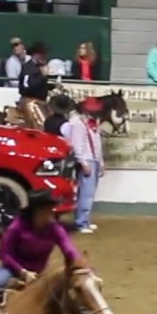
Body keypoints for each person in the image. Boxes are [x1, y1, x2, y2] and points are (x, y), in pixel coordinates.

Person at [63, 96, 104, 234]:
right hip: (87, 159)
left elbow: (98, 145)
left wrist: (101, 161)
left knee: (90, 193)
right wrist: (83, 162)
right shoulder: (78, 124)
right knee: (86, 193)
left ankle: (86, 220)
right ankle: (81, 222)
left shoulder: (93, 124)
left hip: (94, 159)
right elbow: (77, 145)